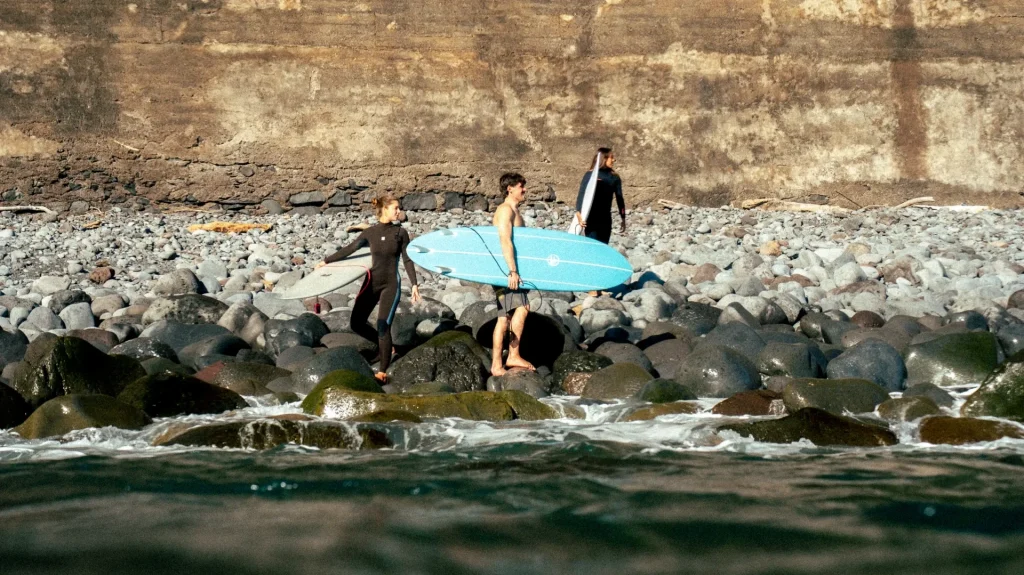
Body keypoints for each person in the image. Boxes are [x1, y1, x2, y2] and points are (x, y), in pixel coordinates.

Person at [315, 194, 420, 383]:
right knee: (356, 322)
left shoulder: (400, 233)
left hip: (390, 284)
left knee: (382, 325)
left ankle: (382, 370)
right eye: (395, 208)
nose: (399, 212)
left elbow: (407, 259)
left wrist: (414, 284)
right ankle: (387, 347)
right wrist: (326, 261)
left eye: (399, 208)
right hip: (371, 282)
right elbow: (349, 249)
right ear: (385, 209)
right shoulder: (370, 233)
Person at [491, 172, 535, 376]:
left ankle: (497, 364)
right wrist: (512, 271)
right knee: (522, 308)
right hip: (505, 271)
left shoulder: (516, 213)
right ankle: (512, 356)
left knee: (504, 317)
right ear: (510, 189)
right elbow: (504, 240)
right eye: (520, 186)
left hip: (510, 270)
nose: (524, 190)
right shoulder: (505, 210)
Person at [573, 147, 626, 244]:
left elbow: (620, 198)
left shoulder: (615, 177)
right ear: (604, 159)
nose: (614, 160)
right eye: (611, 157)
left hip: (606, 218)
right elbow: (581, 194)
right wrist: (579, 214)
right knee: (592, 246)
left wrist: (623, 217)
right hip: (591, 218)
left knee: (603, 246)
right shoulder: (590, 175)